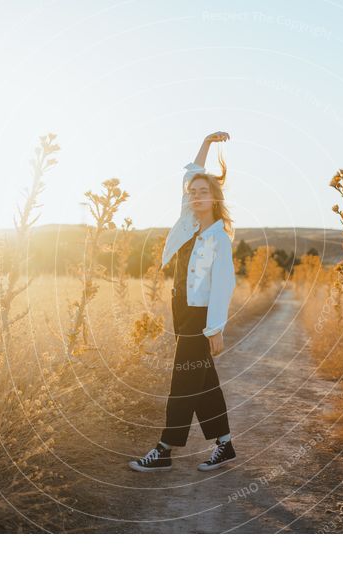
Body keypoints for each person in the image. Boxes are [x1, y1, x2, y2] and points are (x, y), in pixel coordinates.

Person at [128, 131, 237, 472]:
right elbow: (191, 173)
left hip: (200, 317)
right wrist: (205, 143)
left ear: (214, 198)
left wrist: (215, 328)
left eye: (203, 192)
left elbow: (223, 286)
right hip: (181, 310)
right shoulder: (188, 223)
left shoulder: (219, 238)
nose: (196, 195)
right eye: (193, 193)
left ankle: (165, 448)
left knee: (183, 380)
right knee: (202, 378)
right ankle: (224, 443)